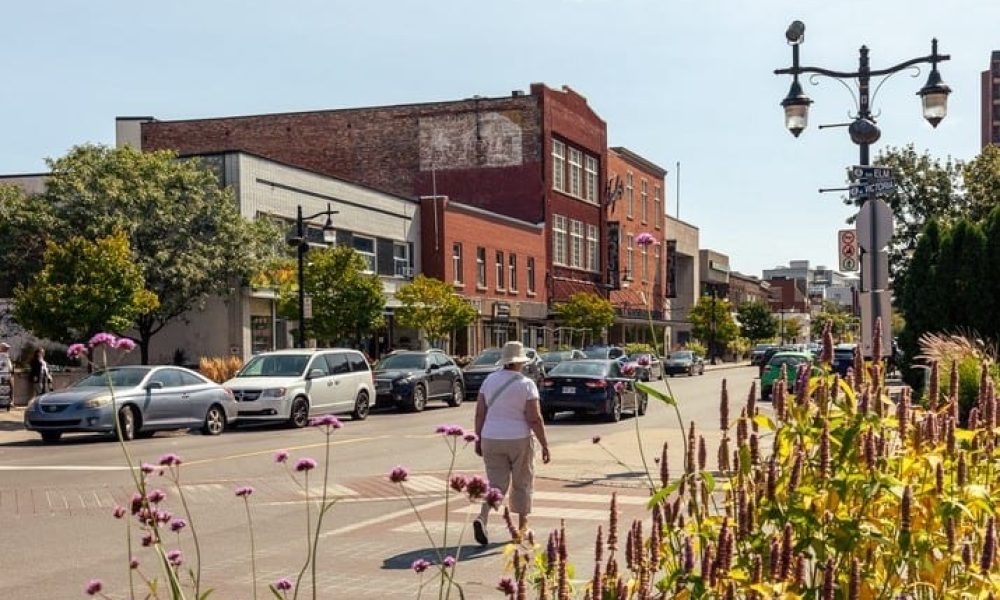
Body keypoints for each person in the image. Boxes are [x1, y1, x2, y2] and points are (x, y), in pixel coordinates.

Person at [473, 341, 550, 546]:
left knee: (496, 483)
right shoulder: (526, 384)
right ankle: (521, 528)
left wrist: (478, 438)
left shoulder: (489, 381)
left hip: (491, 437)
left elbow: (480, 412)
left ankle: (483, 516)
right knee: (522, 481)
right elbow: (534, 418)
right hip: (519, 438)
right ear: (520, 363)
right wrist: (544, 444)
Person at [0, 343, 12, 411]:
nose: (7, 349)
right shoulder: (3, 356)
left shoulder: (6, 356)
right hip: (3, 375)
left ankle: (7, 404)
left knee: (8, 391)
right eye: (5, 348)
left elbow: (9, 366)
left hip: (7, 375)